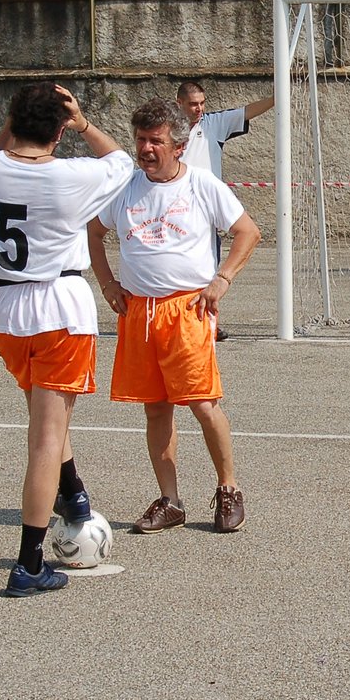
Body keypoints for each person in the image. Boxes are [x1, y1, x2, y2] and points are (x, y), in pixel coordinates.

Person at [0, 83, 132, 597]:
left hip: (5, 310)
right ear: (59, 131)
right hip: (58, 308)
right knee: (44, 437)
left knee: (45, 416)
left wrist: (21, 120)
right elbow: (121, 160)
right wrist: (81, 123)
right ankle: (28, 563)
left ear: (13, 122)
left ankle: (74, 492)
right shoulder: (71, 176)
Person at [88, 98, 262, 536]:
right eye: (141, 140)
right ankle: (170, 500)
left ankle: (228, 489)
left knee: (203, 404)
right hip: (139, 313)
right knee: (155, 410)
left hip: (187, 310)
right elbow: (93, 232)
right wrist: (107, 284)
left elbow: (248, 232)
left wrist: (222, 279)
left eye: (156, 141)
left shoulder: (202, 185)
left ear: (178, 146)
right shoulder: (125, 190)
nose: (147, 149)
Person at [176, 81, 274, 340]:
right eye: (193, 104)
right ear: (180, 104)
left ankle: (208, 323)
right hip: (175, 211)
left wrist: (277, 98)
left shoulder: (214, 124)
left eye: (202, 103)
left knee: (208, 270)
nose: (199, 109)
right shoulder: (168, 129)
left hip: (206, 215)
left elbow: (247, 112)